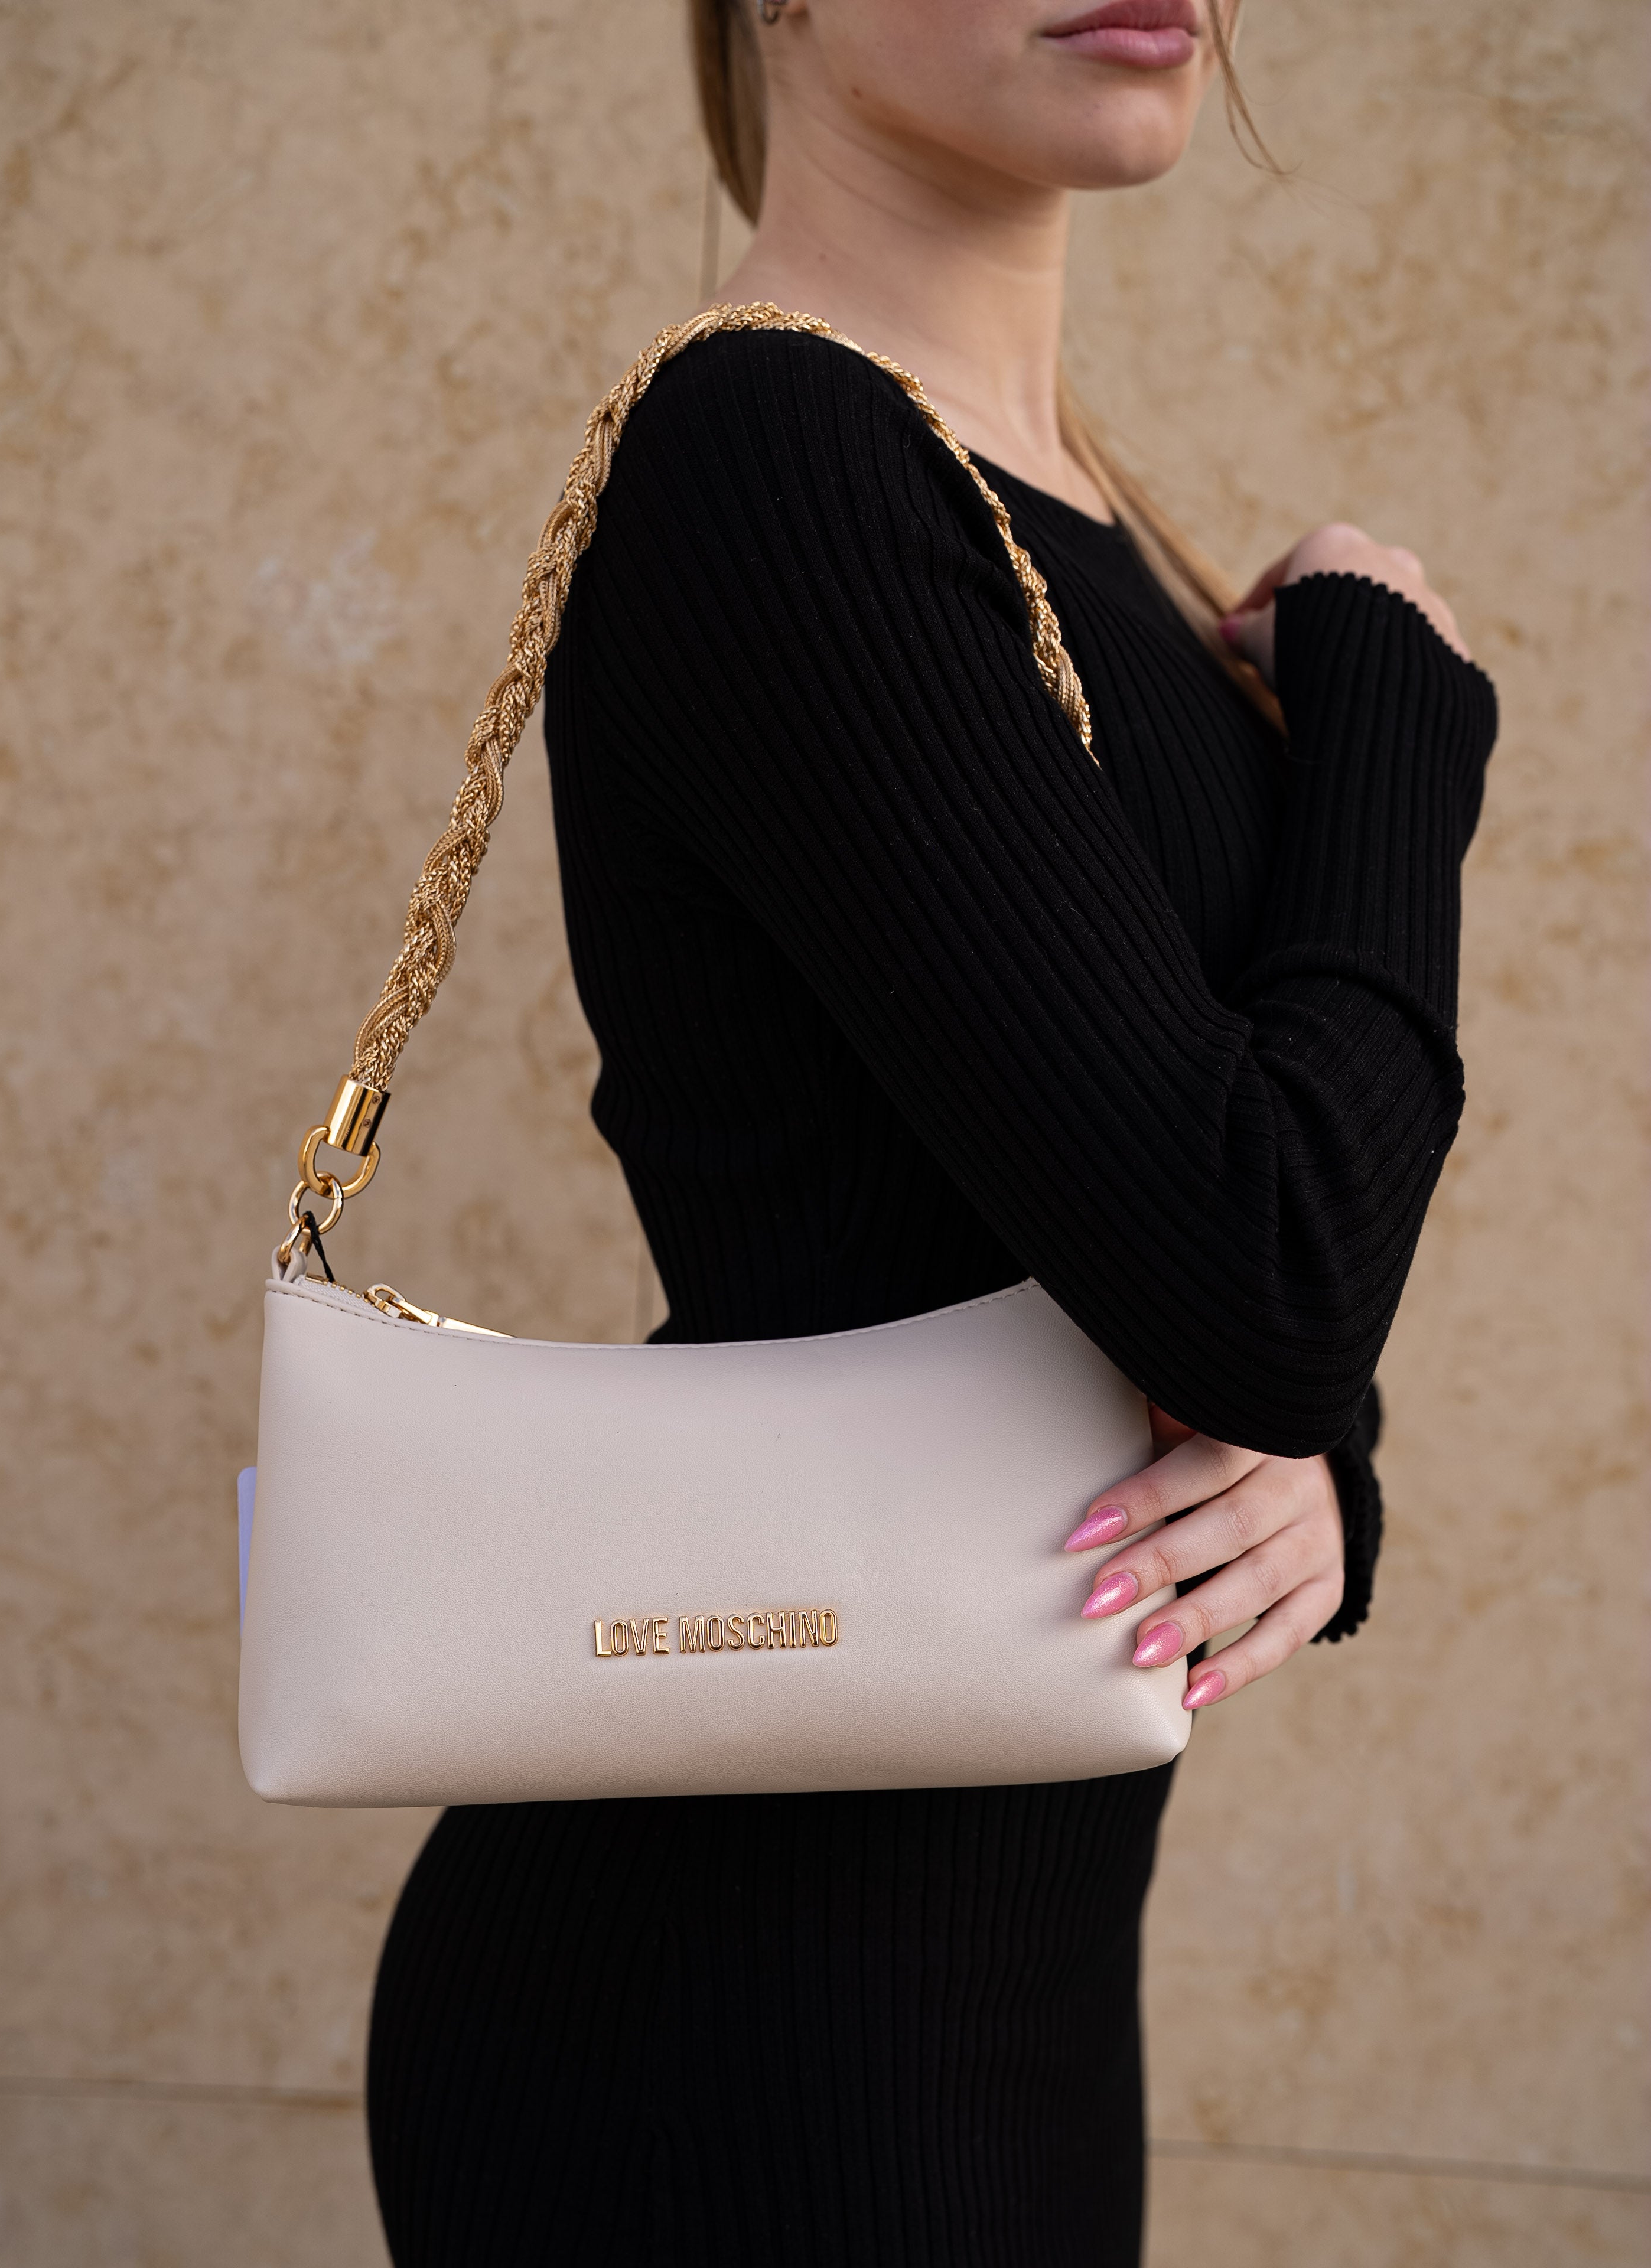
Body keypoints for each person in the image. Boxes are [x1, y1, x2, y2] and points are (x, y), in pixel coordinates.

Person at [366, 3, 1496, 2260]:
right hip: (744, 2025)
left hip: (993, 1975)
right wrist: (1397, 728)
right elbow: (1263, 1261)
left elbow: (1178, 1224)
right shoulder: (772, 455)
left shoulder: (1079, 526)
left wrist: (1302, 1466)